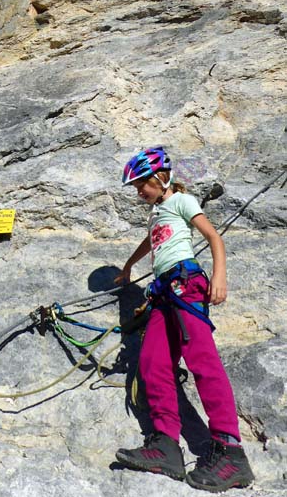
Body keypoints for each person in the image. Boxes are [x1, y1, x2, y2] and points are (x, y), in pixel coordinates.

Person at [114, 146, 254, 492]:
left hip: (186, 284)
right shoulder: (159, 211)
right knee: (151, 362)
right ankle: (165, 446)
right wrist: (131, 265)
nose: (138, 193)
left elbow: (213, 237)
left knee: (202, 361)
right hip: (163, 293)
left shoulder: (180, 200)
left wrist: (218, 277)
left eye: (140, 185)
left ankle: (231, 452)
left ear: (161, 178)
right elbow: (152, 242)